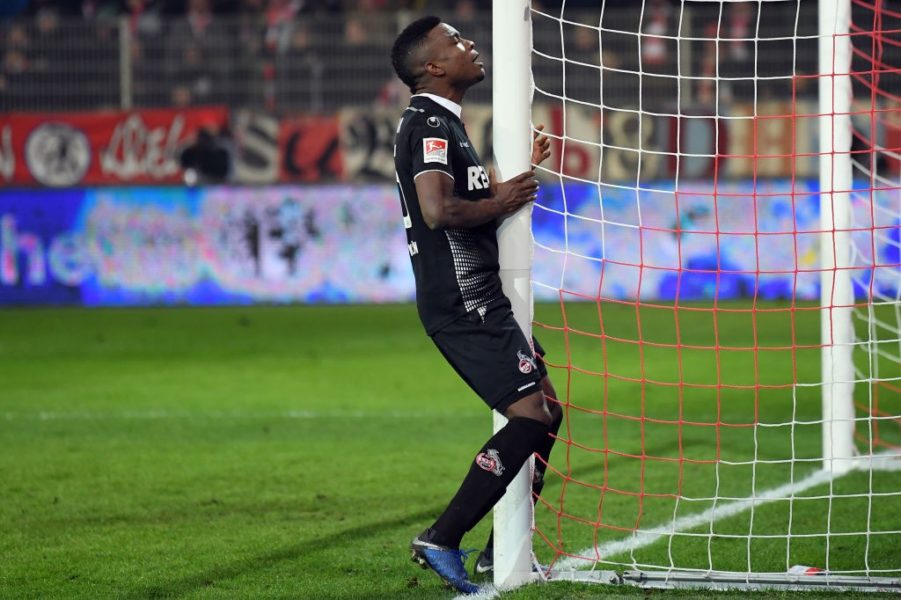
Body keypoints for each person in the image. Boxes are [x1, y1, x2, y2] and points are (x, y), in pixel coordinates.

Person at [390, 16, 562, 594]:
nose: (471, 46)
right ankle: (442, 537)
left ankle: (497, 552)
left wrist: (514, 180)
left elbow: (465, 199)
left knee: (549, 411)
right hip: (465, 300)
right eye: (456, 42)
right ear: (433, 66)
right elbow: (439, 211)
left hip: (477, 295)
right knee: (531, 415)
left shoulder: (443, 124)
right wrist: (506, 197)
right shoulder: (428, 126)